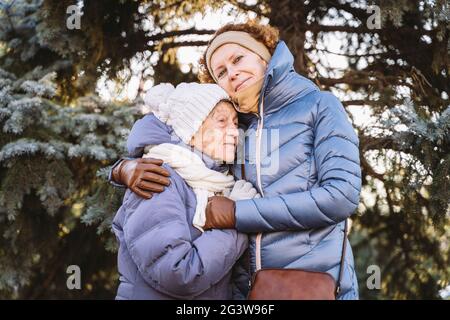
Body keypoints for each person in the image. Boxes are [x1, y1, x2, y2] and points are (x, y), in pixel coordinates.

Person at [110, 21, 362, 299]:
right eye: (221, 72)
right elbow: (172, 130)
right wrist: (124, 168)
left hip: (314, 285)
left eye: (238, 59)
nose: (232, 73)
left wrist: (236, 214)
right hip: (246, 293)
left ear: (263, 54)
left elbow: (341, 195)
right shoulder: (236, 126)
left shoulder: (319, 106)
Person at [112, 82, 259, 299]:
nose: (234, 133)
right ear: (190, 131)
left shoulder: (220, 183)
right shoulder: (157, 177)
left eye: (235, 123)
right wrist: (236, 222)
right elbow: (178, 273)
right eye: (221, 122)